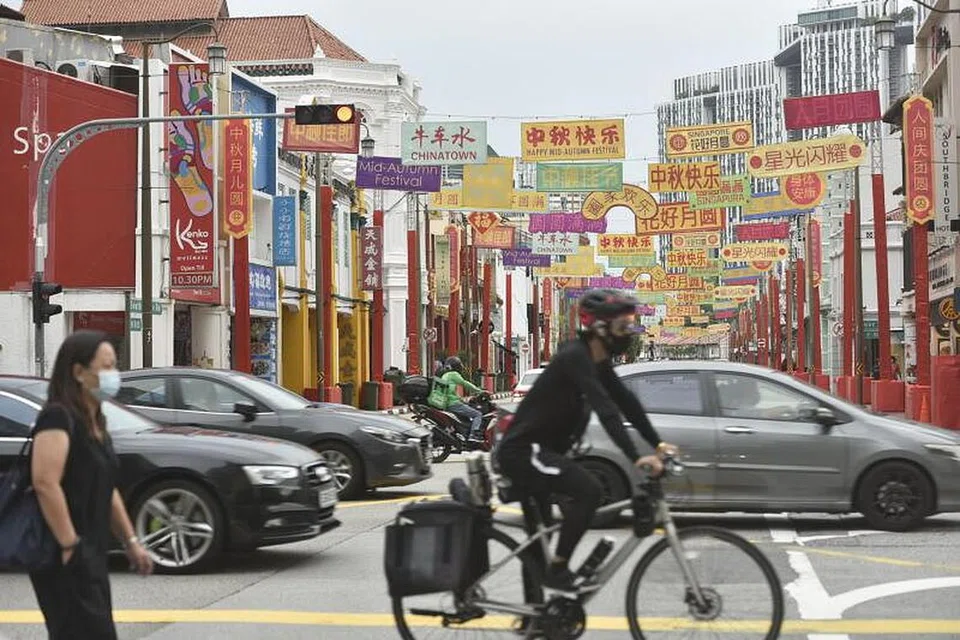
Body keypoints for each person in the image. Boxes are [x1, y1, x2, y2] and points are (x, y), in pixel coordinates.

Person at [496, 289, 677, 592]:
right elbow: (606, 410)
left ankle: (538, 612)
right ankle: (559, 568)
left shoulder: (596, 360)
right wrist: (636, 457)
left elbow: (625, 401)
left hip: (543, 451)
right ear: (601, 327)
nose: (627, 332)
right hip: (526, 452)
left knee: (540, 543)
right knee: (590, 491)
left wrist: (657, 444)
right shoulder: (575, 357)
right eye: (622, 325)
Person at [29, 330, 153, 639]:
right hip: (63, 554)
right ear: (78, 372)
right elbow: (45, 482)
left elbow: (106, 488)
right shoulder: (57, 417)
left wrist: (130, 541)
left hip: (91, 552)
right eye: (106, 367)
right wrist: (69, 544)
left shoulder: (96, 422)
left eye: (114, 366)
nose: (114, 374)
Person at [427, 356, 485, 442]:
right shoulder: (454, 374)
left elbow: (450, 391)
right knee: (477, 414)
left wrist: (460, 399)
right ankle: (473, 435)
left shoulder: (445, 375)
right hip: (453, 404)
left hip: (447, 403)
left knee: (467, 408)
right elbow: (465, 383)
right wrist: (480, 391)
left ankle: (464, 433)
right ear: (457, 366)